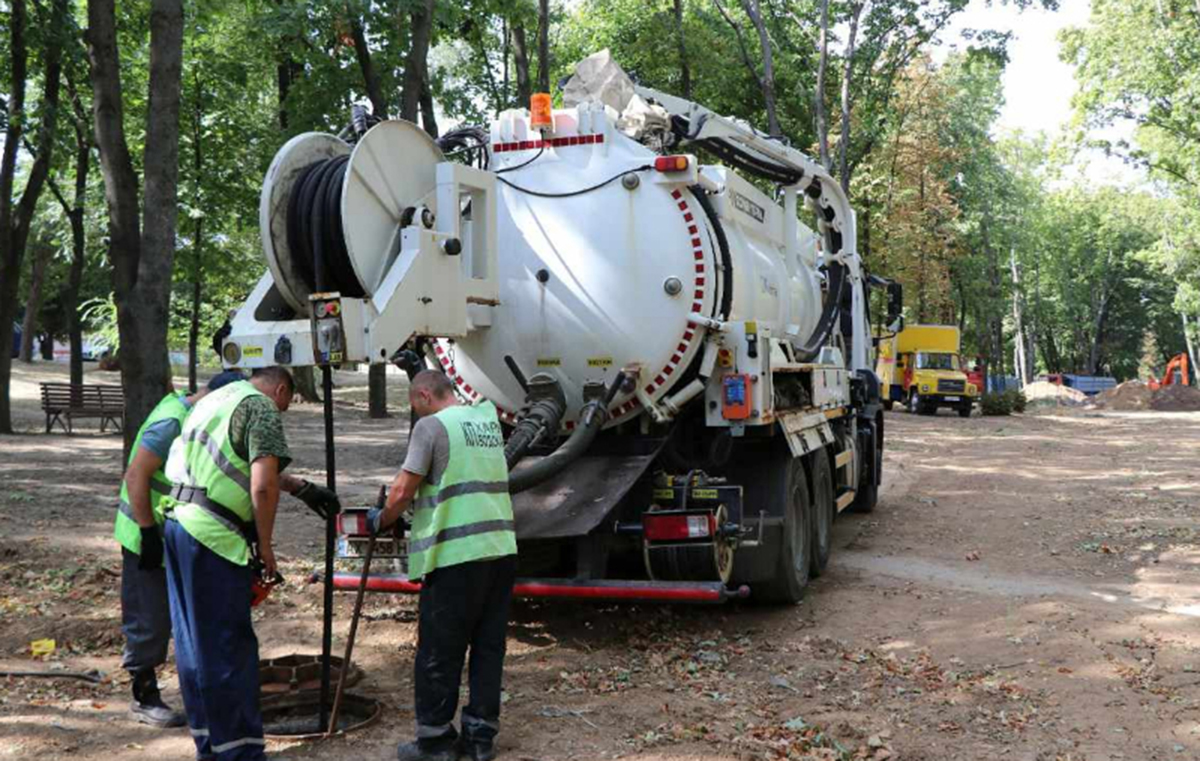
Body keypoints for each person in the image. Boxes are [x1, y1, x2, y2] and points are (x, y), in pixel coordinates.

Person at [160, 366, 340, 761]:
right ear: (280, 389)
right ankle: (240, 753)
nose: (284, 412)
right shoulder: (261, 408)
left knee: (194, 646)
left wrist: (303, 488)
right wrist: (265, 545)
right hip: (213, 535)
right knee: (228, 647)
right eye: (288, 403)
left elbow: (234, 463)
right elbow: (261, 483)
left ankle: (211, 744)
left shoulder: (216, 399)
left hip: (178, 524)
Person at [368, 370, 518, 761]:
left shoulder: (432, 427)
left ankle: (434, 743)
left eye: (413, 404)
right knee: (488, 648)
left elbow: (404, 488)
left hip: (456, 554)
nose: (413, 412)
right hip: (500, 549)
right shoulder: (485, 423)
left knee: (440, 651)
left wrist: (381, 519)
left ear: (423, 395)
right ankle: (480, 740)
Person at [115, 369, 247, 727]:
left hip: (171, 529)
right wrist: (146, 533)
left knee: (178, 616)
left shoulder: (196, 414)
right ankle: (144, 696)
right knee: (149, 617)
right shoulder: (172, 421)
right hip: (144, 532)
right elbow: (136, 475)